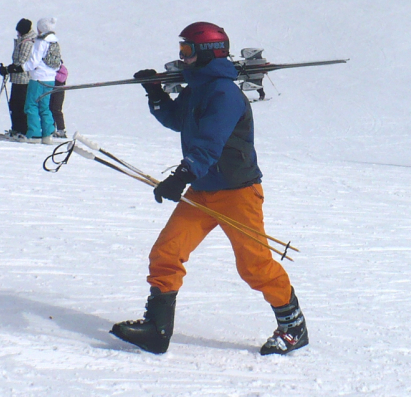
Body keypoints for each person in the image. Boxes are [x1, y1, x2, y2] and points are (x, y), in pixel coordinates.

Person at [110, 22, 309, 356]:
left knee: (254, 266)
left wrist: (181, 176)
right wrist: (156, 93)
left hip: (237, 192)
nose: (181, 57)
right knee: (167, 252)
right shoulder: (198, 89)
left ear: (205, 53)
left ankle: (293, 328)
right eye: (181, 50)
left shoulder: (224, 94)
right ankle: (157, 330)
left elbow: (209, 144)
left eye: (187, 51)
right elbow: (178, 120)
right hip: (203, 188)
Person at [6, 17, 61, 144]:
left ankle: (34, 134)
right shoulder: (55, 42)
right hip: (50, 79)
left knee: (31, 105)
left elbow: (34, 61)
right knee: (45, 106)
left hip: (37, 78)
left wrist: (21, 68)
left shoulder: (41, 42)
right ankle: (47, 134)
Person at [0, 18, 36, 137]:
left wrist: (8, 69)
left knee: (19, 105)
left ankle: (21, 129)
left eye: (19, 31)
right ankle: (16, 128)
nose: (17, 33)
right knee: (14, 104)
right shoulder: (23, 40)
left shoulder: (27, 42)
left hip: (23, 79)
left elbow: (22, 61)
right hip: (17, 79)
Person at [50, 63, 68, 138]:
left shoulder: (61, 68)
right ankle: (51, 128)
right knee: (49, 109)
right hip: (51, 89)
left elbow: (62, 78)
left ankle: (61, 129)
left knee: (56, 110)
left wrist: (52, 73)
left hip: (59, 90)